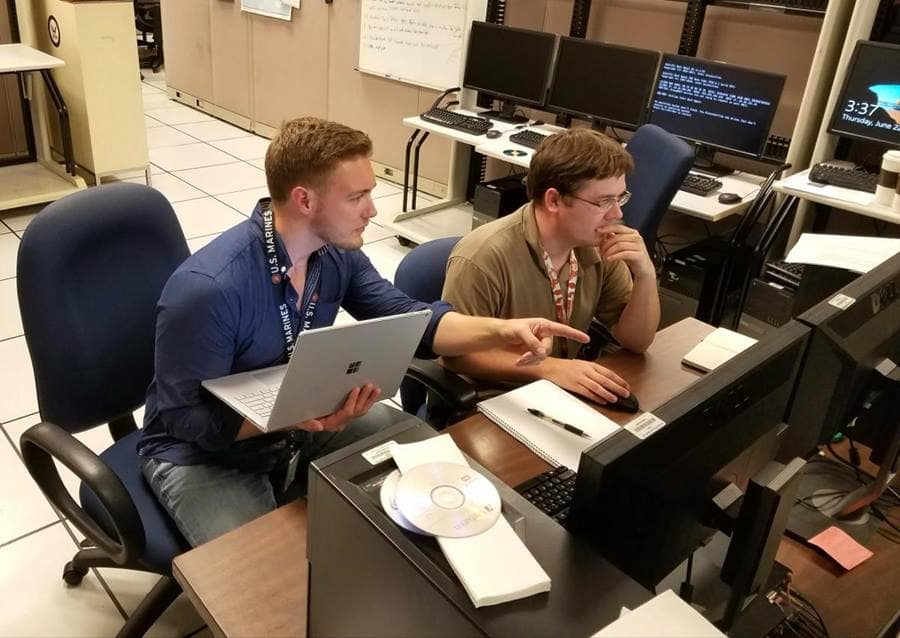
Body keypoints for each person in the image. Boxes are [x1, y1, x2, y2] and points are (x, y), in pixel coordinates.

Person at [137, 117, 587, 546]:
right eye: (357, 197)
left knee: (440, 468)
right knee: (268, 586)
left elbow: (412, 320)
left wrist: (504, 330)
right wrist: (287, 416)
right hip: (203, 455)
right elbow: (184, 420)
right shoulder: (209, 289)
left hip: (299, 418)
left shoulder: (335, 255)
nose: (373, 210)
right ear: (305, 200)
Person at [440, 127, 660, 405]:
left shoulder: (599, 244)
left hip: (562, 387)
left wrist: (645, 275)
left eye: (620, 198)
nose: (617, 213)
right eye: (604, 201)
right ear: (554, 200)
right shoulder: (483, 256)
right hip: (494, 396)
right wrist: (549, 368)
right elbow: (456, 354)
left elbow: (636, 341)